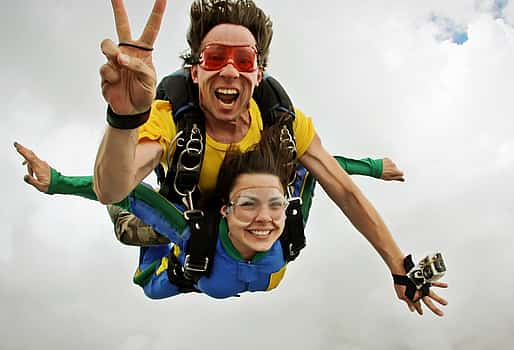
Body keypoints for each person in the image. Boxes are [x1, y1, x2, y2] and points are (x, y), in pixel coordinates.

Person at [93, 0, 447, 315]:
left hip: (238, 215)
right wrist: (125, 118)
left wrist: (400, 266)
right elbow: (114, 187)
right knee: (131, 226)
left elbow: (344, 190)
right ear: (195, 70)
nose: (230, 71)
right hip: (186, 211)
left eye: (243, 60)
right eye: (215, 57)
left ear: (258, 73)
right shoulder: (170, 112)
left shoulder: (281, 121)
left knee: (288, 194)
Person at [14, 123, 421, 299]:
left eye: (275, 205)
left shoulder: (288, 225)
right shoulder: (195, 237)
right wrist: (59, 183)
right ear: (228, 210)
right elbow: (125, 190)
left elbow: (314, 171)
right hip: (181, 260)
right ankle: (166, 170)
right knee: (132, 224)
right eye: (249, 206)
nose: (266, 218)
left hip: (217, 261)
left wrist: (372, 167)